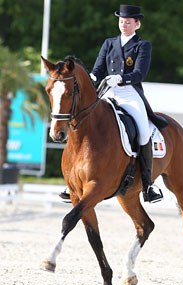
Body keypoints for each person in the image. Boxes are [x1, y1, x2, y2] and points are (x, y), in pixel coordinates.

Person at [60, 5, 167, 203]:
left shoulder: (142, 46)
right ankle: (72, 181)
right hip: (107, 92)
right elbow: (98, 69)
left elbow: (140, 73)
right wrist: (91, 77)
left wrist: (121, 78)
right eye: (121, 21)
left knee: (144, 132)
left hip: (129, 94)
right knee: (82, 123)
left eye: (128, 22)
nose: (124, 25)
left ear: (137, 24)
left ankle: (148, 185)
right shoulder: (109, 43)